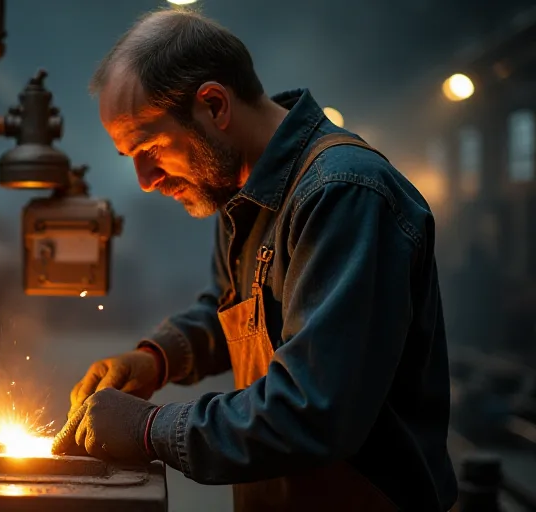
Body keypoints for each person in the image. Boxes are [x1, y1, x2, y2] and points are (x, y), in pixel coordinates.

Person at [52, 8, 458, 511]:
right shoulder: (242, 193)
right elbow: (241, 314)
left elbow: (311, 411)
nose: (145, 180)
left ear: (214, 105)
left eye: (150, 147)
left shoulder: (342, 195)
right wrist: (157, 358)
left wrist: (149, 427)